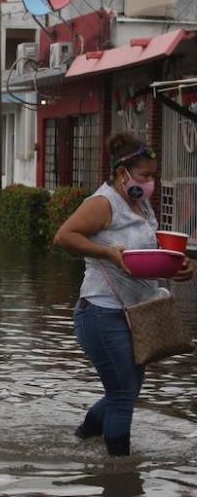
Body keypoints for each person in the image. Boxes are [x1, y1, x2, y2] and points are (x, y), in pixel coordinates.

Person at [54, 132, 194, 456]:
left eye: (152, 177)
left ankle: (81, 440)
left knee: (125, 393)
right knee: (123, 396)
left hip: (137, 313)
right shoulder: (103, 203)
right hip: (102, 312)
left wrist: (179, 266)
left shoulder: (141, 204)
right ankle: (120, 475)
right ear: (122, 173)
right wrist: (108, 254)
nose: (150, 183)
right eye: (144, 175)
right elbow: (64, 236)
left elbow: (148, 255)